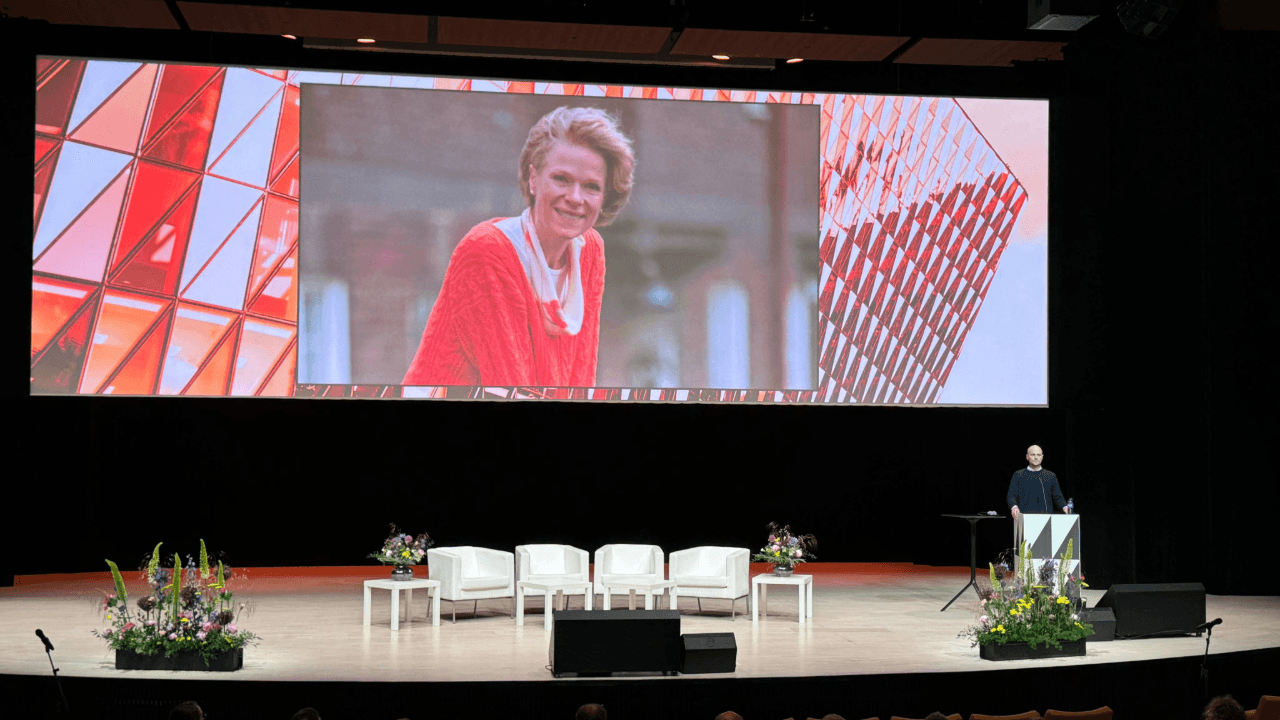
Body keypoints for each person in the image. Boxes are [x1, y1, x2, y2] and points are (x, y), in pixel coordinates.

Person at [403, 106, 636, 387]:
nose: (576, 198)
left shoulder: (589, 250)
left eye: (591, 187)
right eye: (561, 179)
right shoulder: (488, 251)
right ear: (533, 178)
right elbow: (511, 389)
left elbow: (581, 374)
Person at [1007, 444, 1069, 549]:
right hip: (1025, 522)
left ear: (1042, 457)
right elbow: (1011, 496)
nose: (1036, 457)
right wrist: (1014, 507)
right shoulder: (1018, 475)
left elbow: (1058, 497)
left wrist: (1065, 507)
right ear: (1027, 457)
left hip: (1047, 522)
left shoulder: (1050, 476)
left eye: (1039, 455)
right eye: (1033, 455)